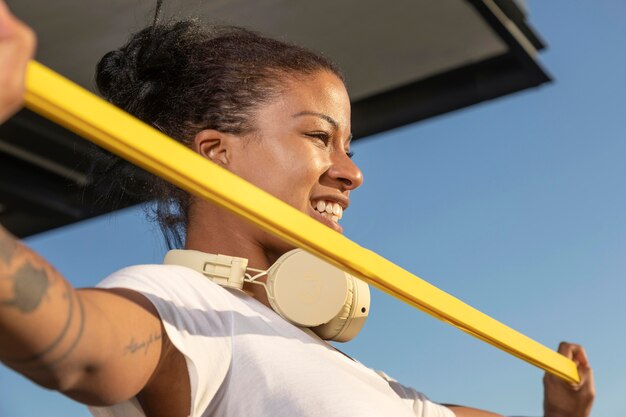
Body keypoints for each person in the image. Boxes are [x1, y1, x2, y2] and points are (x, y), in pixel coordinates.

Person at [0, 1, 594, 417]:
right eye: (318, 137)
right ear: (215, 154)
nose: (351, 172)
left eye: (348, 148)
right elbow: (70, 346)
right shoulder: (185, 308)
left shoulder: (363, 379)